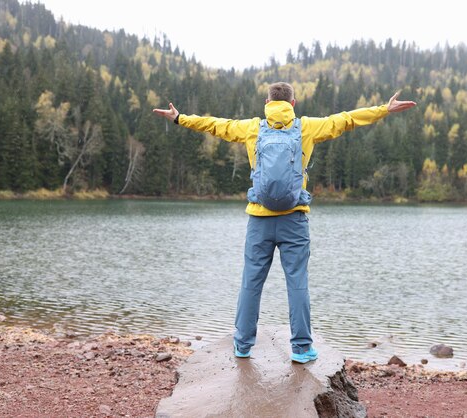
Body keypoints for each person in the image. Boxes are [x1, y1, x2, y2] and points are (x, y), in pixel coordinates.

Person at [153, 82, 415, 363]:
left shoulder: (253, 127)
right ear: (293, 103)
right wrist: (383, 110)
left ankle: (242, 345)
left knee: (251, 281)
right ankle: (301, 349)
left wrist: (180, 118)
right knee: (297, 282)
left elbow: (216, 125)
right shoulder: (307, 127)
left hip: (259, 218)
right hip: (295, 218)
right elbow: (347, 119)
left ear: (268, 102)